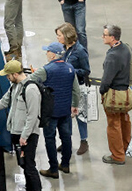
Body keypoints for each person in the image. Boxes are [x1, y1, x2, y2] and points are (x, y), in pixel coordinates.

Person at [0, 60, 42, 191]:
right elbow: (4, 102)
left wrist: (24, 136)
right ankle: (29, 188)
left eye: (8, 75)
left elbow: (32, 116)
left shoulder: (31, 89)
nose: (7, 78)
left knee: (29, 166)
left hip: (27, 135)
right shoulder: (15, 86)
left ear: (15, 74)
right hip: (16, 132)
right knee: (23, 164)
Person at [30, 42, 80, 179]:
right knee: (66, 137)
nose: (46, 53)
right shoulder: (70, 68)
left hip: (50, 112)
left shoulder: (46, 70)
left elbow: (29, 81)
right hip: (65, 111)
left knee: (50, 139)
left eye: (47, 51)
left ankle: (53, 168)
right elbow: (76, 90)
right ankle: (65, 165)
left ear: (53, 54)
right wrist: (74, 105)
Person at [100, 24, 132, 165]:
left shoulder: (112, 56)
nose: (102, 37)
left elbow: (106, 80)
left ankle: (117, 155)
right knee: (125, 121)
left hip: (114, 95)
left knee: (113, 125)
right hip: (126, 93)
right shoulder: (126, 48)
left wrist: (102, 92)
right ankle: (125, 147)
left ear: (112, 38)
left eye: (105, 35)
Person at [55, 22, 90, 155]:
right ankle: (66, 141)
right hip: (65, 87)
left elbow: (86, 71)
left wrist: (69, 70)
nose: (57, 38)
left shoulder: (80, 51)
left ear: (67, 36)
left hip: (78, 87)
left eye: (59, 35)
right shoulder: (64, 48)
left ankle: (84, 141)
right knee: (65, 116)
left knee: (80, 116)